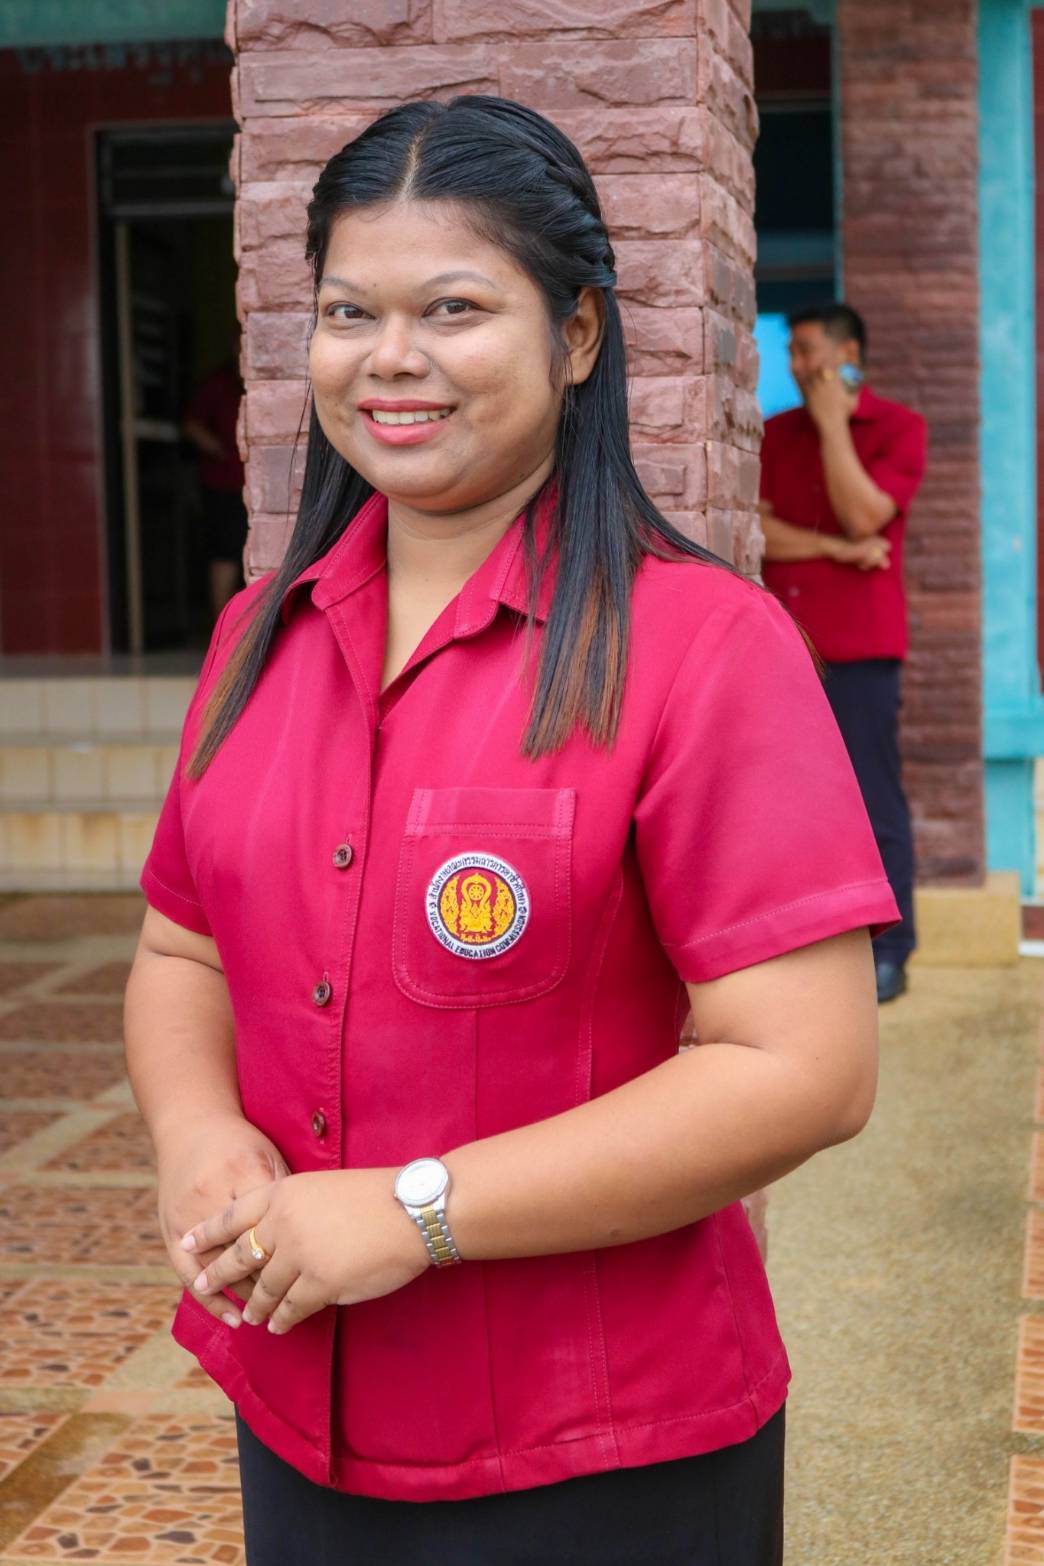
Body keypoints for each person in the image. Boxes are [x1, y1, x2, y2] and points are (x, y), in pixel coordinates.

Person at [124, 98, 899, 1566]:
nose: (390, 357)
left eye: (453, 308)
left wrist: (413, 1211)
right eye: (349, 311)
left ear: (578, 335)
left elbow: (806, 1066)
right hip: (298, 1401)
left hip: (605, 1446)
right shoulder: (251, 643)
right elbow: (181, 950)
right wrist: (198, 1134)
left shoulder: (702, 648)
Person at [758, 303, 927, 1005]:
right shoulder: (773, 434)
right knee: (788, 801)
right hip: (782, 643)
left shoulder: (899, 428)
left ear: (849, 353)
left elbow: (864, 514)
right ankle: (804, 944)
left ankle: (890, 951)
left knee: (870, 797)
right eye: (791, 353)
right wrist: (836, 549)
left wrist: (833, 427)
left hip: (859, 646)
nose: (796, 366)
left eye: (806, 351)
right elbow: (761, 533)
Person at [183, 356, 248, 621]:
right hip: (224, 485)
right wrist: (219, 449)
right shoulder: (217, 385)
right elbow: (191, 425)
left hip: (248, 485)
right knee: (226, 553)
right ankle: (223, 627)